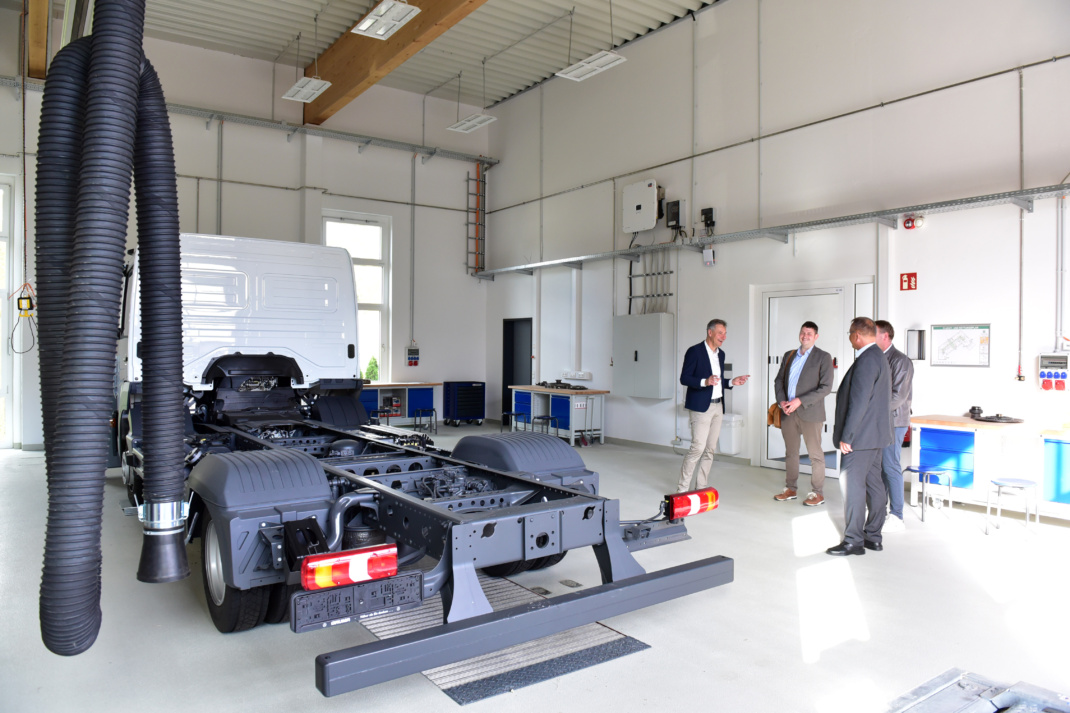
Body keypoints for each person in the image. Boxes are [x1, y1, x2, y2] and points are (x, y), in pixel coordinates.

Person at [827, 317, 893, 556]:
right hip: (876, 436)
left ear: (856, 336)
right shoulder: (880, 357)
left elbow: (859, 402)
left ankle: (854, 540)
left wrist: (848, 436)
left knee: (852, 485)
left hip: (861, 438)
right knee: (874, 484)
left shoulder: (866, 360)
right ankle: (873, 536)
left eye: (849, 334)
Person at [678, 319, 750, 493]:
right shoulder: (694, 351)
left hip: (718, 407)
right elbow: (684, 378)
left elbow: (717, 382)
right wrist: (705, 381)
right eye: (720, 333)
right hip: (701, 408)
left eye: (725, 334)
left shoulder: (721, 354)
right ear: (710, 332)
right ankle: (682, 490)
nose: (723, 337)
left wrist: (732, 382)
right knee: (697, 448)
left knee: (710, 449)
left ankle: (701, 486)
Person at [772, 321, 834, 506]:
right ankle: (790, 489)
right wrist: (781, 400)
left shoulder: (823, 357)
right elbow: (778, 380)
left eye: (809, 333)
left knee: (815, 454)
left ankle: (817, 493)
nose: (805, 336)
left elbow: (826, 388)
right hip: (788, 412)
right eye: (803, 332)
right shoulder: (789, 355)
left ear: (816, 337)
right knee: (791, 452)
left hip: (810, 412)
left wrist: (800, 401)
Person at [875, 320, 914, 533]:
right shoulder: (877, 358)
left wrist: (872, 412)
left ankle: (897, 516)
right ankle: (880, 510)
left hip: (894, 421)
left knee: (890, 465)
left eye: (875, 334)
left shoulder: (900, 361)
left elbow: (898, 396)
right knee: (880, 467)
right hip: (879, 420)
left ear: (886, 336)